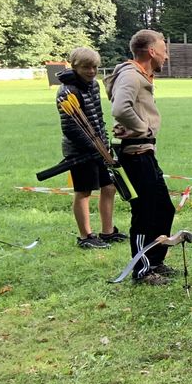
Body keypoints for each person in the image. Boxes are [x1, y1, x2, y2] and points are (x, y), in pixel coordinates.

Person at [105, 30, 175, 285]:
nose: (166, 54)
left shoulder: (138, 75)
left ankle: (155, 261)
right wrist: (141, 128)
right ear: (151, 51)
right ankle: (142, 270)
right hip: (135, 154)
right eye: (163, 48)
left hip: (145, 152)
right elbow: (119, 108)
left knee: (164, 208)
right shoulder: (131, 75)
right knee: (144, 212)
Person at [57, 47, 126, 249]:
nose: (92, 71)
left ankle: (107, 231)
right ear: (75, 66)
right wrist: (93, 148)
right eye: (86, 67)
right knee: (84, 192)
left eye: (95, 67)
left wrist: (104, 144)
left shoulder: (93, 86)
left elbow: (98, 118)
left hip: (99, 146)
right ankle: (86, 236)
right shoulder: (66, 91)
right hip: (79, 151)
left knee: (109, 187)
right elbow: (70, 128)